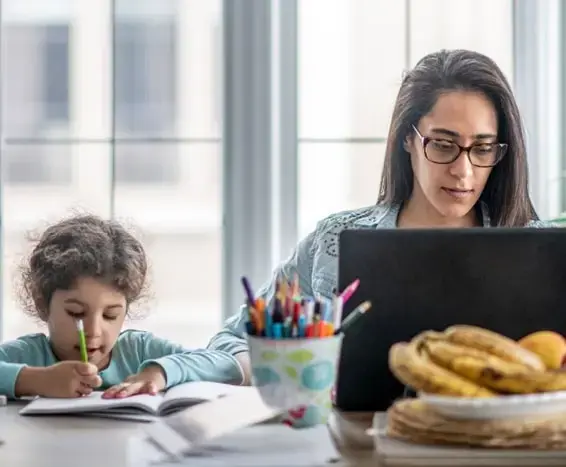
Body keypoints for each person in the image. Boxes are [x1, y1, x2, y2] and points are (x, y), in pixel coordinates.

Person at [207, 48, 553, 384]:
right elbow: (231, 340)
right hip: (354, 438)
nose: (463, 171)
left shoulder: (541, 250)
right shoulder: (334, 241)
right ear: (407, 139)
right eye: (444, 145)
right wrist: (282, 370)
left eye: (482, 148)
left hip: (506, 440)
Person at [0, 214, 243, 399]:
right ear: (43, 303)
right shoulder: (27, 355)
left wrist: (160, 372)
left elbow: (226, 364)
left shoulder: (139, 352)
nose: (93, 331)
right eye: (76, 313)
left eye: (110, 314)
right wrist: (34, 380)